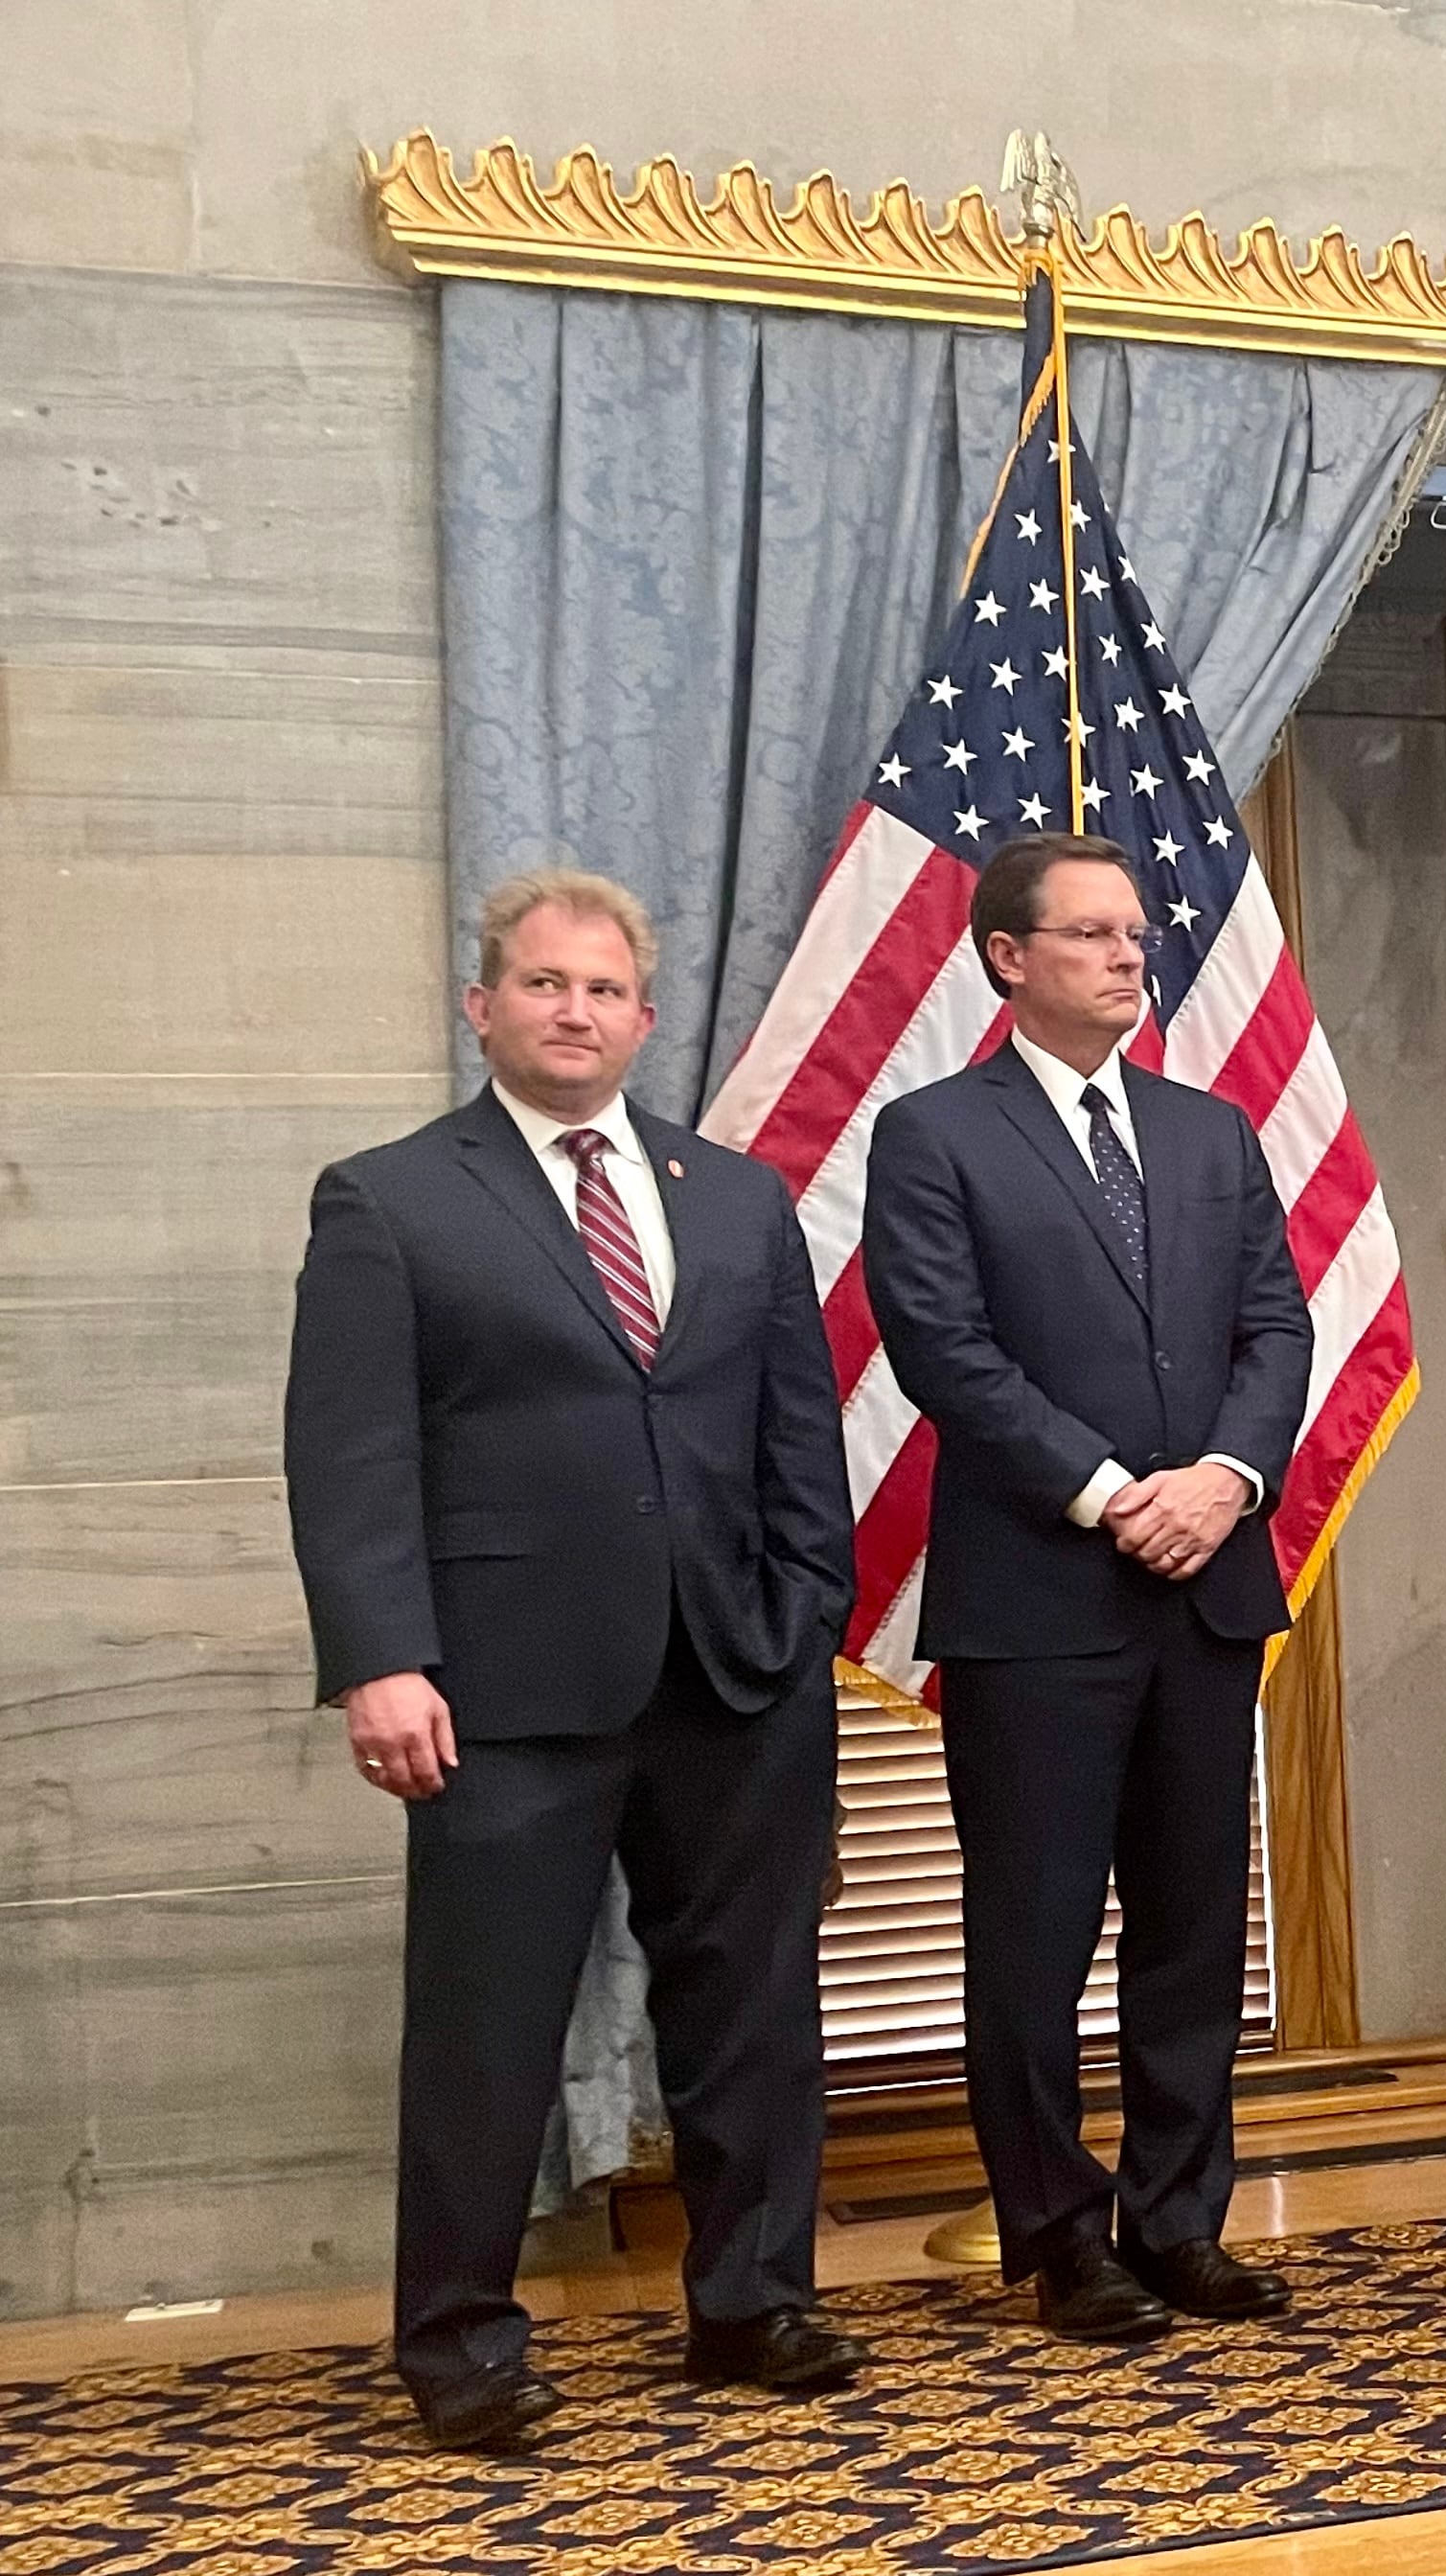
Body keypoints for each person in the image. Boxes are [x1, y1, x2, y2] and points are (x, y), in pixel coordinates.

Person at [283, 868, 861, 2452]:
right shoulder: (390, 1196)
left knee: (750, 2005)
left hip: (733, 1674)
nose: (573, 1010)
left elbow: (794, 1429)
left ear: (643, 1017)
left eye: (603, 990)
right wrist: (381, 1659)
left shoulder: (736, 1195)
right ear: (484, 1005)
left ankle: (752, 2303)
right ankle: (462, 2349)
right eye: (542, 983)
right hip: (498, 1688)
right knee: (488, 2029)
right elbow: (348, 1458)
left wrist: (808, 1608)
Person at [862, 833, 1314, 2343]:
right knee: (1035, 1932)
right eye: (1096, 935)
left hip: (1206, 1586)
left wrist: (1227, 1482)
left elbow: (1278, 1330)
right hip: (1042, 1598)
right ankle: (1061, 2237)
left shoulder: (1210, 1133)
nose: (1132, 956)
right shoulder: (936, 1136)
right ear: (1009, 955)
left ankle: (1180, 2219)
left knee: (1194, 1928)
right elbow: (945, 1354)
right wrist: (1120, 1493)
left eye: (1138, 933)